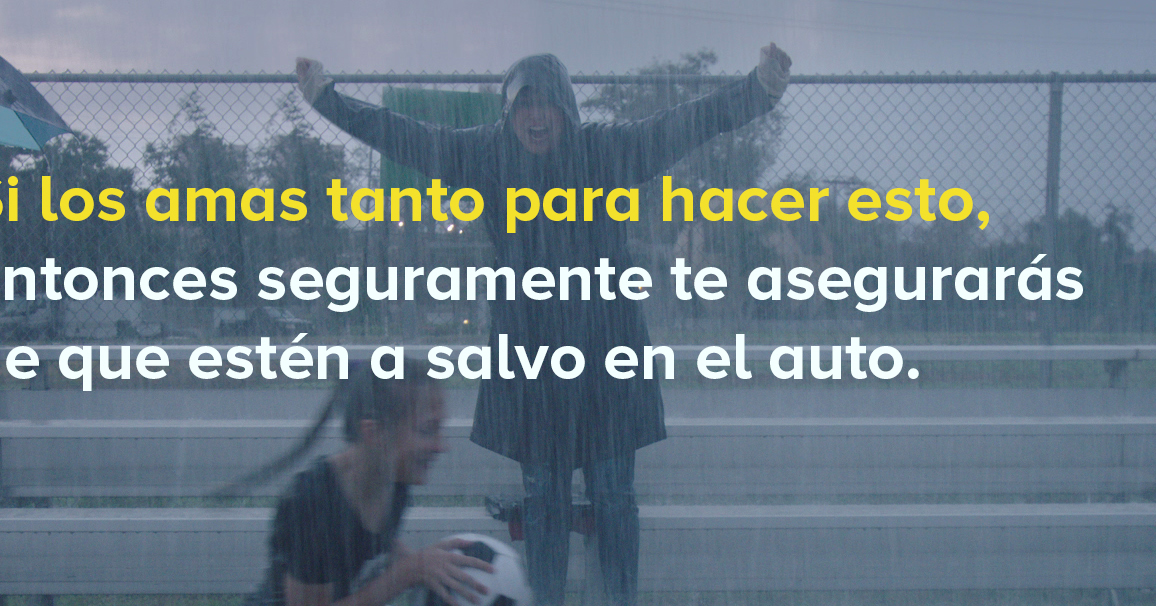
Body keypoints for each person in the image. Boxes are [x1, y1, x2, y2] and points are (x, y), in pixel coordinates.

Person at [295, 45, 790, 605]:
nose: (536, 117)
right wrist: (327, 100)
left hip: (607, 350)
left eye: (547, 104)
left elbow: (685, 124)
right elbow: (401, 134)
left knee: (614, 497)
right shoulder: (486, 155)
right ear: (509, 112)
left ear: (566, 110)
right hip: (532, 356)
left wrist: (758, 91)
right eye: (525, 105)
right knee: (544, 499)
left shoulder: (604, 151)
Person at [227, 359, 496, 606]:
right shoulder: (312, 502)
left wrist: (420, 562)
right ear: (374, 433)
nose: (441, 446)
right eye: (427, 430)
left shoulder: (393, 479)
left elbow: (374, 541)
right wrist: (406, 573)